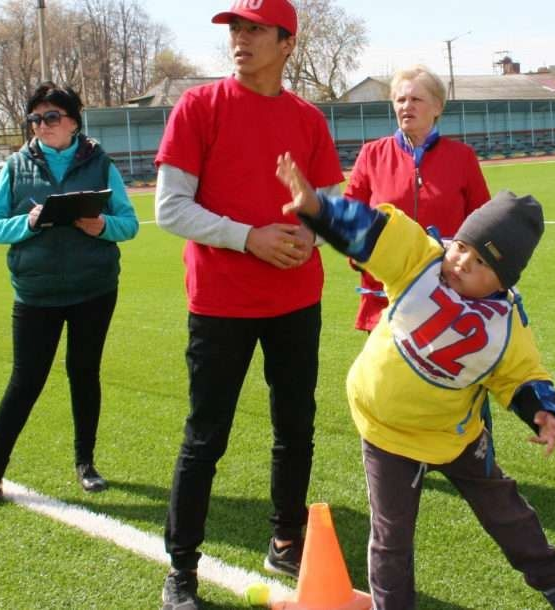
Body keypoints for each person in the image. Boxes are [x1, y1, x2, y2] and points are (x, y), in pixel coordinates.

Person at [275, 154, 555, 610]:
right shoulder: (422, 260)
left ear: (503, 279)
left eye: (480, 261)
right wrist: (320, 210)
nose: (461, 261)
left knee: (508, 515)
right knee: (391, 537)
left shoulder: (505, 324)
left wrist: (542, 411)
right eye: (463, 245)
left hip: (453, 435)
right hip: (387, 432)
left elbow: (521, 373)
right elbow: (374, 232)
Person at [151, 1, 344, 608]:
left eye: (255, 29)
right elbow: (169, 208)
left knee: (296, 426)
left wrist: (310, 232)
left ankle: (286, 539)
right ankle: (182, 569)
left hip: (295, 298)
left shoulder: (309, 119)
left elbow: (331, 203)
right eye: (236, 28)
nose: (241, 38)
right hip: (221, 304)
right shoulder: (197, 107)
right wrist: (250, 237)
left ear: (287, 43)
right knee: (205, 436)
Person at [0, 82, 139, 511]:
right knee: (25, 382)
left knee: (84, 374)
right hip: (36, 293)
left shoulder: (101, 164)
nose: (41, 126)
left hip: (93, 291)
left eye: (51, 117)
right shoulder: (15, 166)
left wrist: (101, 226)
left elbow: (129, 223)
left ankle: (86, 464)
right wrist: (27, 223)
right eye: (35, 119)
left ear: (73, 122)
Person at [343, 65, 491, 331]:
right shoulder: (371, 154)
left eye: (415, 99)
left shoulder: (462, 157)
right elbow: (347, 218)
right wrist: (362, 256)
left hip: (447, 298)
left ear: (437, 107)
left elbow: (483, 225)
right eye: (400, 99)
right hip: (385, 298)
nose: (406, 106)